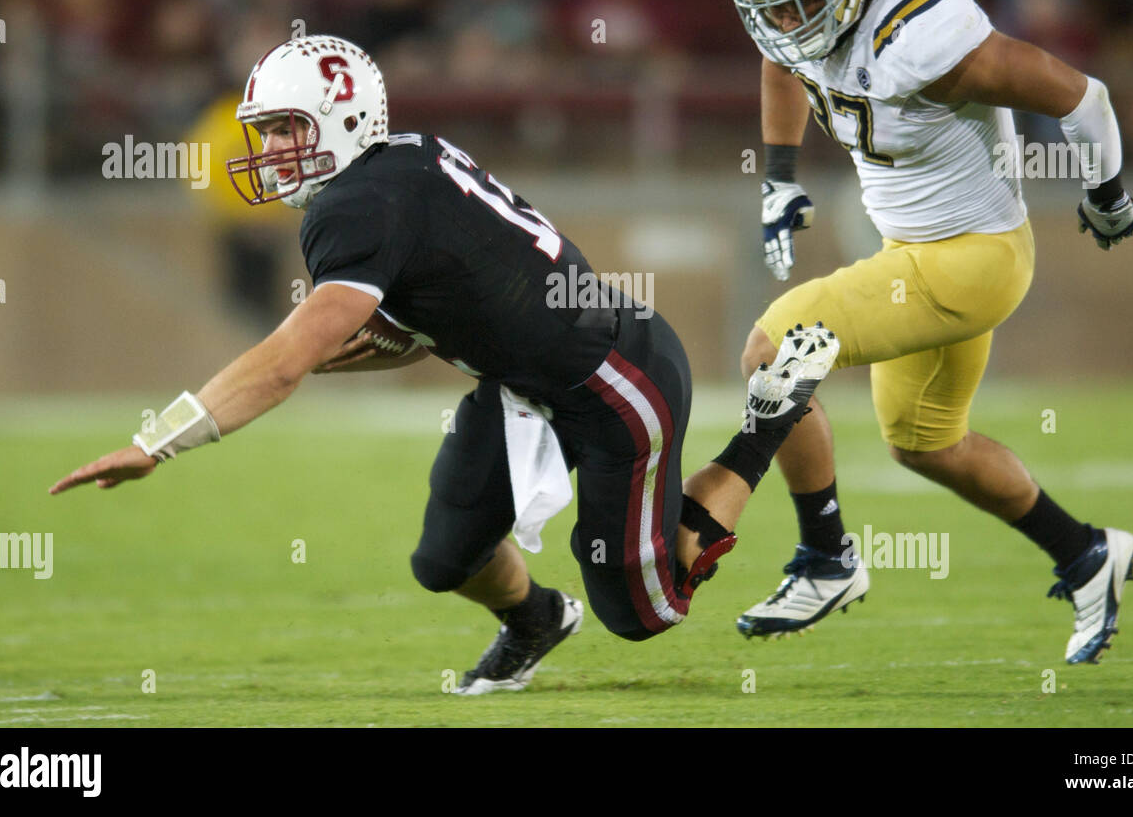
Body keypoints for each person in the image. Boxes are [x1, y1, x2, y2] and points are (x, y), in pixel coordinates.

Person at [49, 34, 839, 694]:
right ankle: (535, 619)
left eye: (289, 128)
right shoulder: (394, 166)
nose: (272, 149)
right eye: (267, 131)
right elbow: (451, 294)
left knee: (645, 612)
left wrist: (159, 443)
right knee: (445, 558)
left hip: (609, 379)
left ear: (344, 118)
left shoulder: (358, 204)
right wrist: (391, 339)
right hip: (527, 382)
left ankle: (765, 424)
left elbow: (284, 362)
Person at [728, 0, 1133, 664]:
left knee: (772, 350)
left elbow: (1083, 96)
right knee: (922, 443)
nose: (789, 24)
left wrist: (1108, 195)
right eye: (774, 9)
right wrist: (779, 175)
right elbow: (784, 59)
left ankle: (827, 560)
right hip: (910, 256)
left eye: (803, 4)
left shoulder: (919, 39)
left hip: (972, 260)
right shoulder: (800, 22)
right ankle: (1087, 553)